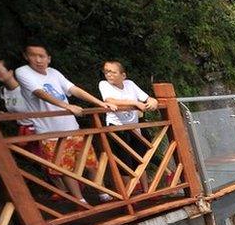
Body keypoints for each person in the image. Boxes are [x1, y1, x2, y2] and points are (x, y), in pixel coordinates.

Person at [15, 44, 117, 204]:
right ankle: (80, 201)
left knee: (90, 163)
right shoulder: (22, 72)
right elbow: (39, 93)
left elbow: (74, 89)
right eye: (33, 55)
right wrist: (67, 106)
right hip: (50, 133)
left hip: (71, 127)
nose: (38, 59)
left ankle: (103, 194)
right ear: (26, 57)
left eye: (42, 56)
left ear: (48, 58)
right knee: (65, 169)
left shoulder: (54, 73)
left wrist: (100, 102)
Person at [98, 61, 158, 192]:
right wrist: (135, 103)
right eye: (106, 71)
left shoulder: (129, 84)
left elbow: (147, 99)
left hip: (134, 127)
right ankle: (129, 193)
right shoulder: (104, 84)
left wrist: (153, 101)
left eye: (113, 72)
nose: (109, 74)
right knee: (124, 162)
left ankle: (146, 190)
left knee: (139, 159)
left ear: (123, 75)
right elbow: (109, 101)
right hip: (117, 128)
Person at [0, 57, 39, 155]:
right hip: (23, 132)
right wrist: (4, 115)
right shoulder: (3, 91)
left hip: (38, 132)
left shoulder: (26, 88)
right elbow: (17, 112)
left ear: (10, 71)